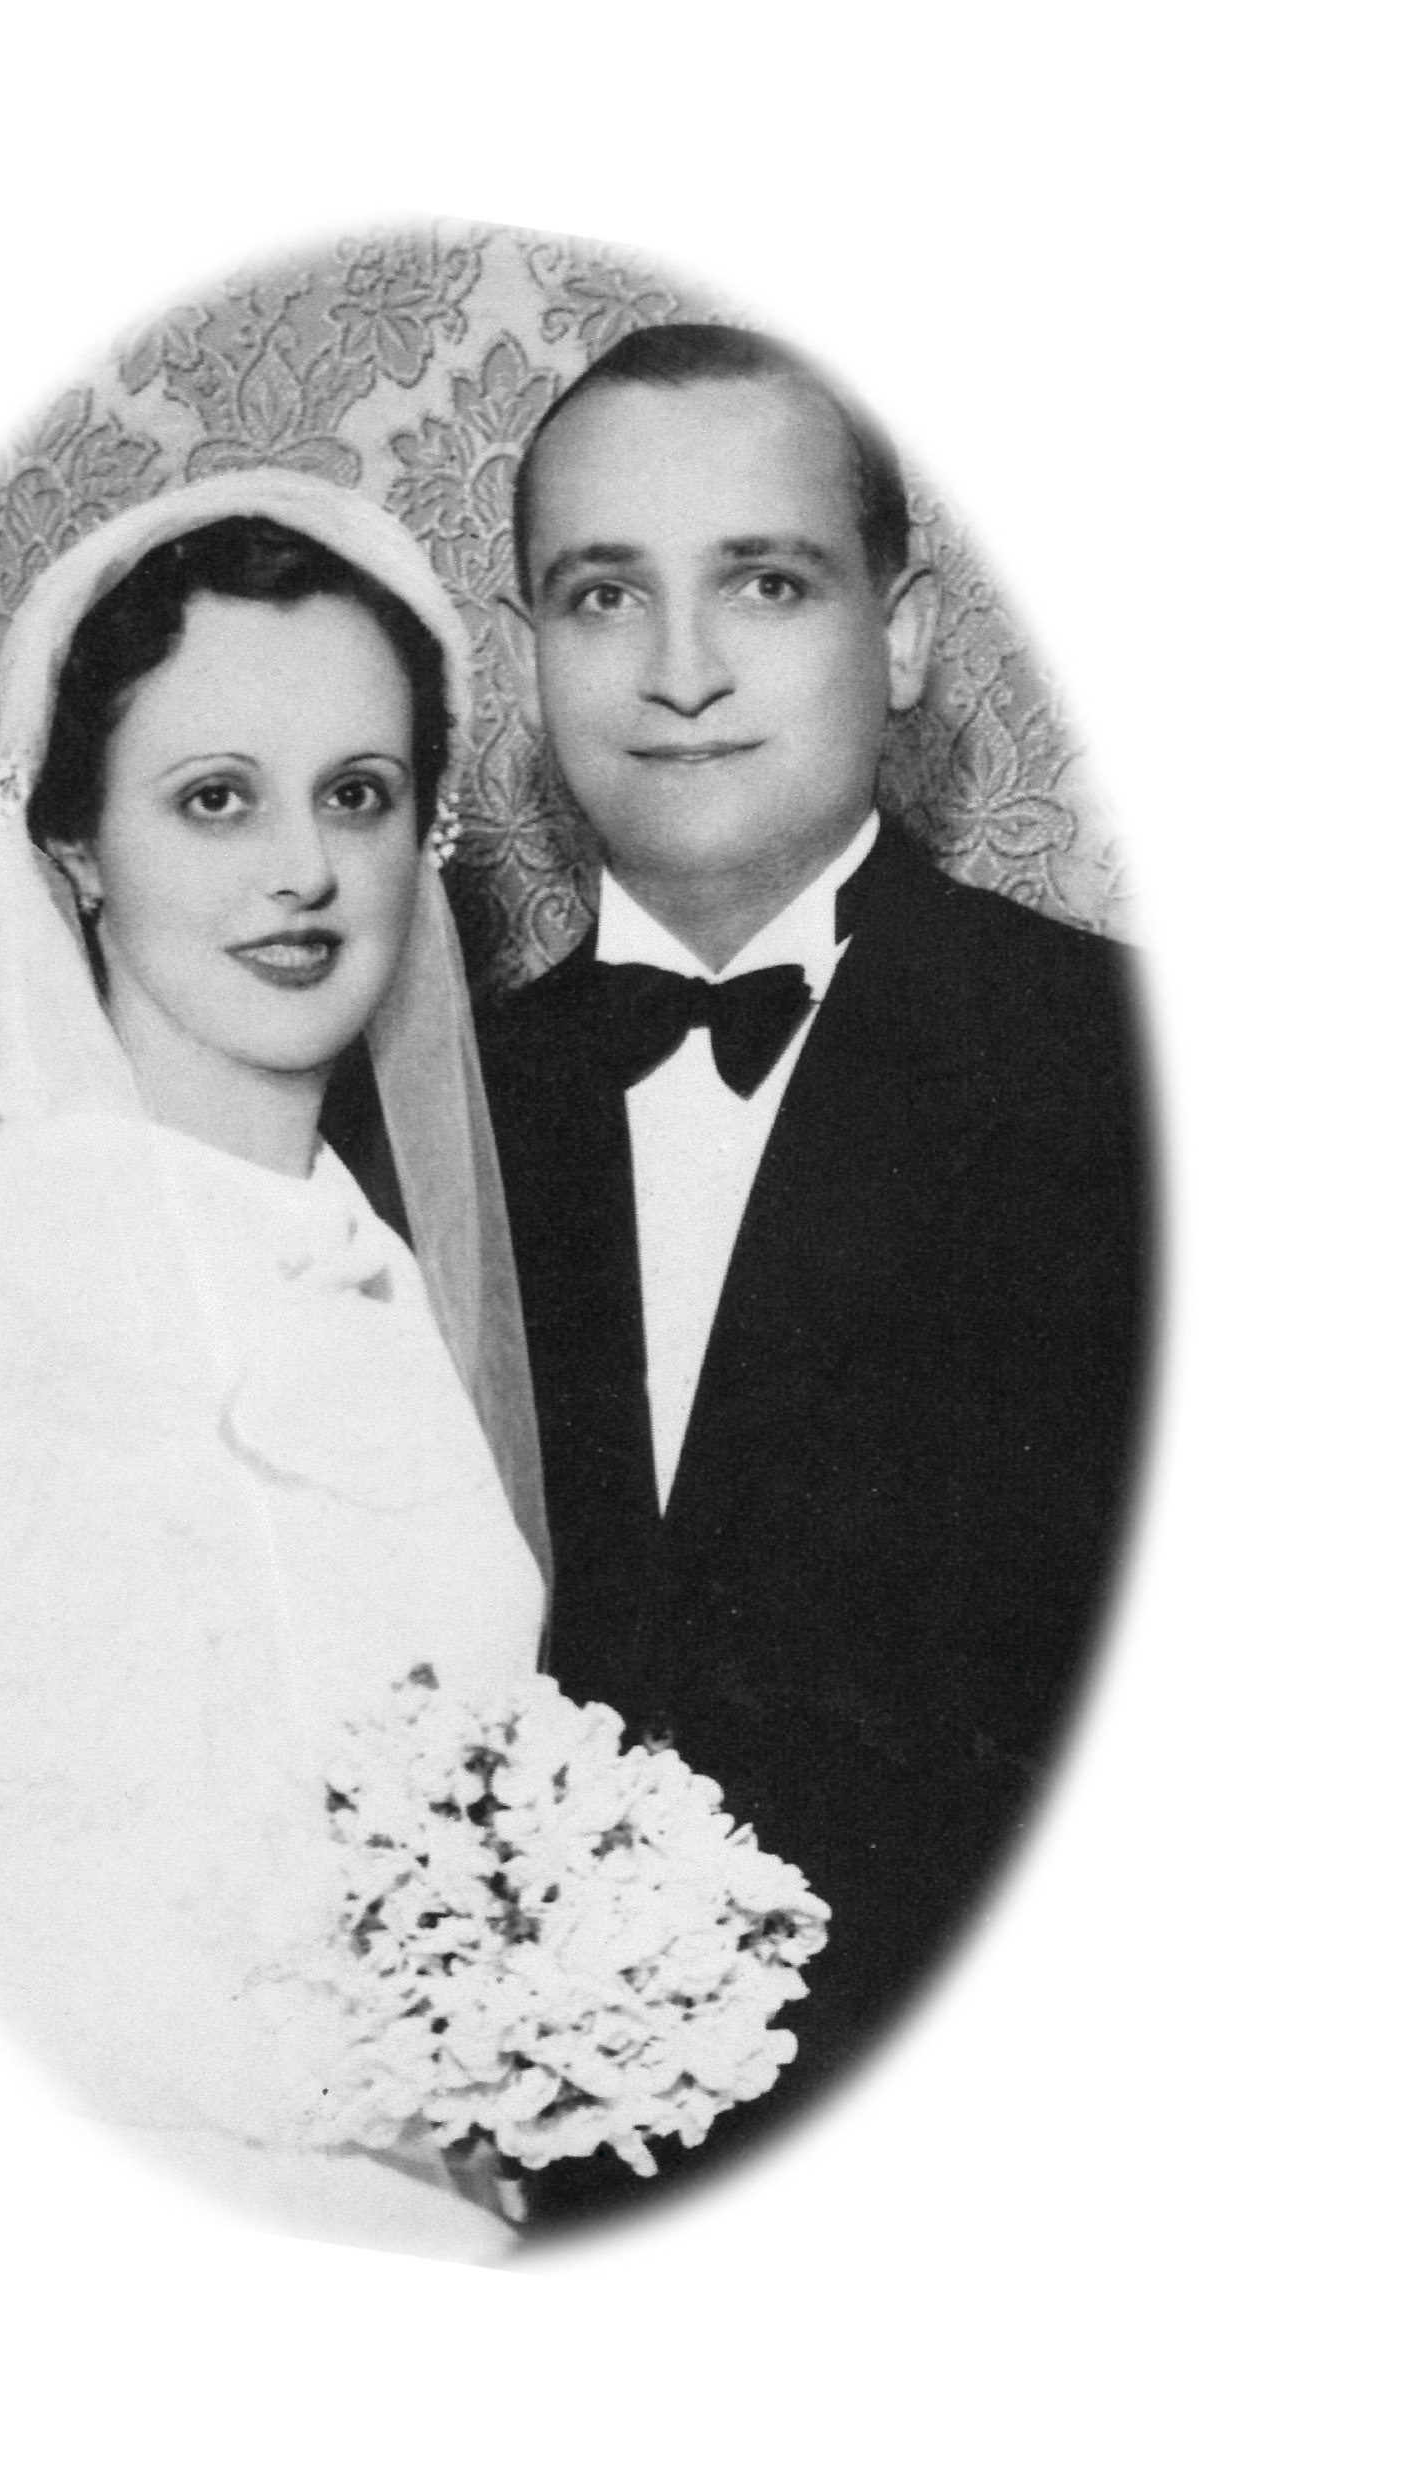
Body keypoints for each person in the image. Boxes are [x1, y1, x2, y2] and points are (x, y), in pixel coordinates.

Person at [0, 472, 549, 2264]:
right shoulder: (7, 1268)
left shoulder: (372, 1267)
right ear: (73, 852)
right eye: (215, 800)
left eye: (358, 796)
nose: (303, 870)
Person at [476, 324, 1150, 2231]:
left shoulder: (1138, 1080)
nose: (678, 670)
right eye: (603, 594)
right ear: (529, 645)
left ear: (908, 635)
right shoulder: (408, 1122)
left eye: (762, 583)